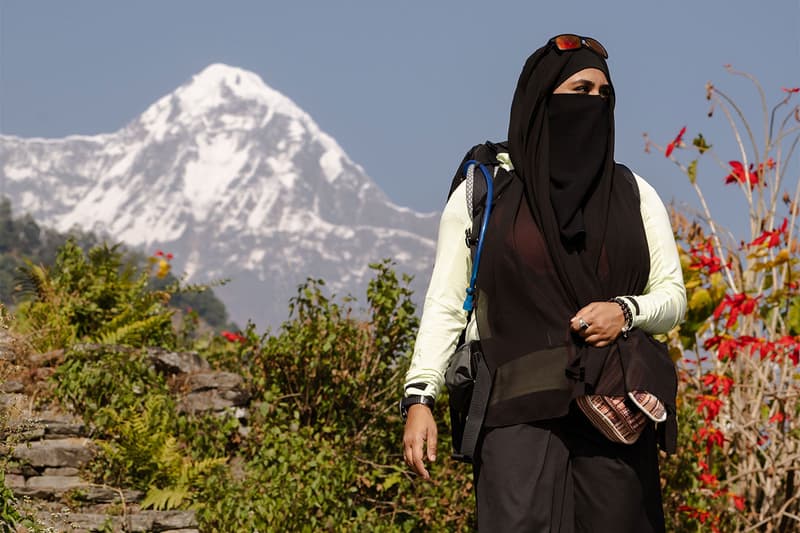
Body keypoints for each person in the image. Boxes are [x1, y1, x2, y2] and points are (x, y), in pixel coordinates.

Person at [400, 34, 686, 532]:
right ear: (541, 99)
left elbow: (671, 296)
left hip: (613, 413)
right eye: (579, 89)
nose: (593, 103)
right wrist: (420, 397)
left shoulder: (633, 193)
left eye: (603, 94)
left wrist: (625, 311)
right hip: (514, 417)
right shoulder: (485, 193)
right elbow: (446, 302)